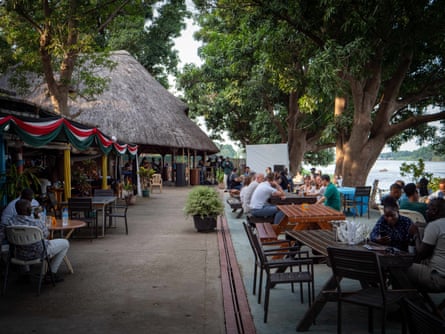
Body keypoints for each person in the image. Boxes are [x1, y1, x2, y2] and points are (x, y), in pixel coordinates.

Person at [2, 199, 69, 282]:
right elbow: (46, 234)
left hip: (18, 255)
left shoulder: (10, 222)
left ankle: (25, 274)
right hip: (39, 253)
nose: (31, 208)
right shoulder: (36, 223)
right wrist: (37, 218)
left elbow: (4, 236)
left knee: (22, 245)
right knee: (65, 243)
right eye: (30, 207)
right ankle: (51, 273)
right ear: (27, 210)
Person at [406, 198, 445, 292]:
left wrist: (416, 234)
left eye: (428, 209)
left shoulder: (435, 226)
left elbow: (421, 253)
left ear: (435, 211)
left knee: (398, 267)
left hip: (438, 277)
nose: (426, 212)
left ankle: (408, 300)